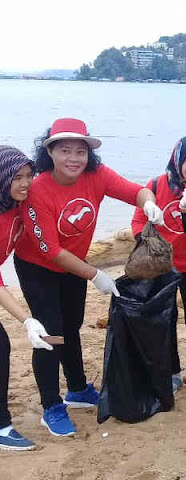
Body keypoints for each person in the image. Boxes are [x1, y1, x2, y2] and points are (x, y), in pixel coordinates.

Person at [14, 118, 163, 437]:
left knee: (72, 326)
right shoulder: (38, 189)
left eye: (80, 151)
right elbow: (51, 250)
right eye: (64, 150)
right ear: (49, 151)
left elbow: (136, 191)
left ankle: (78, 389)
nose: (73, 158)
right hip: (37, 267)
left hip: (74, 266)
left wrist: (149, 204)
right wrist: (96, 275)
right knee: (49, 333)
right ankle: (52, 406)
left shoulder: (97, 176)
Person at [131, 136, 186, 402]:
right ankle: (172, 373)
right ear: (177, 161)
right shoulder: (156, 185)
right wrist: (147, 241)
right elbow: (137, 223)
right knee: (165, 320)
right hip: (161, 265)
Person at [0, 146, 45, 451]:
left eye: (29, 175)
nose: (26, 183)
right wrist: (26, 319)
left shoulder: (17, 207)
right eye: (17, 177)